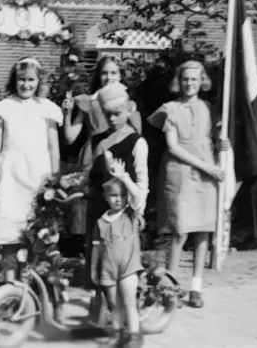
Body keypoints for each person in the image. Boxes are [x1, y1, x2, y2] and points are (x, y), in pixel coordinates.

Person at [147, 60, 227, 308]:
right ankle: (170, 288)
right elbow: (173, 147)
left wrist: (223, 144)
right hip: (180, 170)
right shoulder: (170, 109)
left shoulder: (210, 109)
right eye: (185, 79)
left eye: (194, 79)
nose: (189, 83)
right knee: (179, 230)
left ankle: (196, 288)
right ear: (178, 81)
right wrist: (206, 167)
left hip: (206, 171)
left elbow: (217, 136)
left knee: (203, 229)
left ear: (202, 81)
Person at [0, 57, 62, 282]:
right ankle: (11, 285)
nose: (26, 84)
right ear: (14, 80)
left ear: (39, 81)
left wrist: (55, 182)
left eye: (31, 80)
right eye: (21, 79)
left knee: (37, 233)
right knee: (9, 234)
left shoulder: (47, 109)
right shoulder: (3, 107)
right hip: (9, 177)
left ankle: (32, 284)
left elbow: (53, 147)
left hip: (38, 177)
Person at [86, 83, 149, 250]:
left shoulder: (136, 142)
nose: (112, 119)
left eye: (117, 114)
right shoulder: (98, 140)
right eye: (108, 115)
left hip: (122, 210)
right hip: (97, 207)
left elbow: (142, 180)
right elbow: (91, 173)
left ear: (128, 111)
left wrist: (139, 211)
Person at [90, 167, 147, 348]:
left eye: (123, 195)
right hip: (108, 270)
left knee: (129, 302)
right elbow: (96, 248)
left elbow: (138, 196)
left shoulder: (131, 215)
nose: (118, 199)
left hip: (128, 267)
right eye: (114, 195)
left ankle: (135, 335)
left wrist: (124, 176)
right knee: (114, 304)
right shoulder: (101, 222)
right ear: (106, 197)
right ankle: (118, 333)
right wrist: (93, 269)